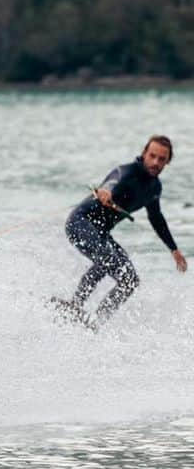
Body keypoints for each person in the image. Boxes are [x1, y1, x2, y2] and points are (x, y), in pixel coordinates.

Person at [55, 135, 186, 328]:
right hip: (80, 223)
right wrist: (105, 191)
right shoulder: (127, 172)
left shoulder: (154, 188)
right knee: (107, 258)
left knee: (130, 280)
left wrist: (174, 250)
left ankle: (96, 323)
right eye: (152, 156)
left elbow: (156, 218)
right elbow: (112, 181)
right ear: (144, 153)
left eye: (162, 159)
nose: (156, 162)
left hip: (100, 233)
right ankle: (74, 305)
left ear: (168, 162)